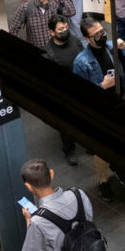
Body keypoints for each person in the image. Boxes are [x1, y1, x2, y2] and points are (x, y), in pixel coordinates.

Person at [74, 17, 125, 201]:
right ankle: (103, 181)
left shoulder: (112, 47)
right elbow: (79, 94)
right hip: (100, 110)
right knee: (102, 148)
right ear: (87, 39)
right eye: (95, 35)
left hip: (121, 102)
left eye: (101, 31)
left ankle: (122, 169)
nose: (101, 36)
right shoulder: (81, 62)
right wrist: (101, 86)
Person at [20, 159, 94, 251]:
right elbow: (89, 221)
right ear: (51, 174)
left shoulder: (37, 222)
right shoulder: (79, 194)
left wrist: (29, 220)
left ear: (28, 186)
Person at [44, 14, 83, 165]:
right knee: (66, 123)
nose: (65, 31)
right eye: (61, 29)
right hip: (64, 94)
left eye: (66, 27)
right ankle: (69, 150)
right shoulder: (49, 52)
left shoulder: (74, 40)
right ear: (52, 33)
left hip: (80, 87)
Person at [9, 0, 76, 49]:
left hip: (53, 49)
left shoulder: (53, 5)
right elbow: (13, 30)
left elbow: (71, 12)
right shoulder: (25, 8)